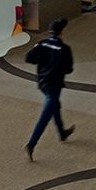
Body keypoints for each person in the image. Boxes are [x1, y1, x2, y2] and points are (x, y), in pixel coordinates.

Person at [23, 17, 76, 161]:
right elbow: (69, 69)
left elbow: (28, 58)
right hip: (55, 83)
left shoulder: (41, 44)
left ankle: (62, 132)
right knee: (46, 114)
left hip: (42, 82)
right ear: (61, 32)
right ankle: (31, 143)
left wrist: (42, 61)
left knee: (54, 106)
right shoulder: (64, 49)